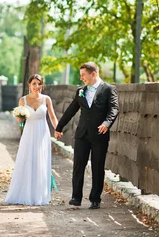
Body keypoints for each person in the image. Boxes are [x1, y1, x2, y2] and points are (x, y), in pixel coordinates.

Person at [54, 62, 119, 209]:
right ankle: (76, 197)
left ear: (93, 74)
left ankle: (95, 199)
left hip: (99, 135)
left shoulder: (108, 89)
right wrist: (59, 127)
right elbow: (71, 110)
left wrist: (107, 124)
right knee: (78, 166)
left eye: (84, 75)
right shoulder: (80, 91)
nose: (81, 78)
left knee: (97, 167)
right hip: (82, 134)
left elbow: (114, 109)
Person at [5, 74, 59, 206]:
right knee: (27, 160)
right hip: (29, 133)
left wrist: (58, 129)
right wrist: (20, 115)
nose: (36, 86)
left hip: (42, 133)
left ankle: (39, 195)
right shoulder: (23, 100)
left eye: (39, 84)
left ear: (42, 85)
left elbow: (52, 117)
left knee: (41, 161)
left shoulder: (46, 99)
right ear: (29, 85)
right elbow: (20, 122)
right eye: (34, 83)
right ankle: (25, 193)